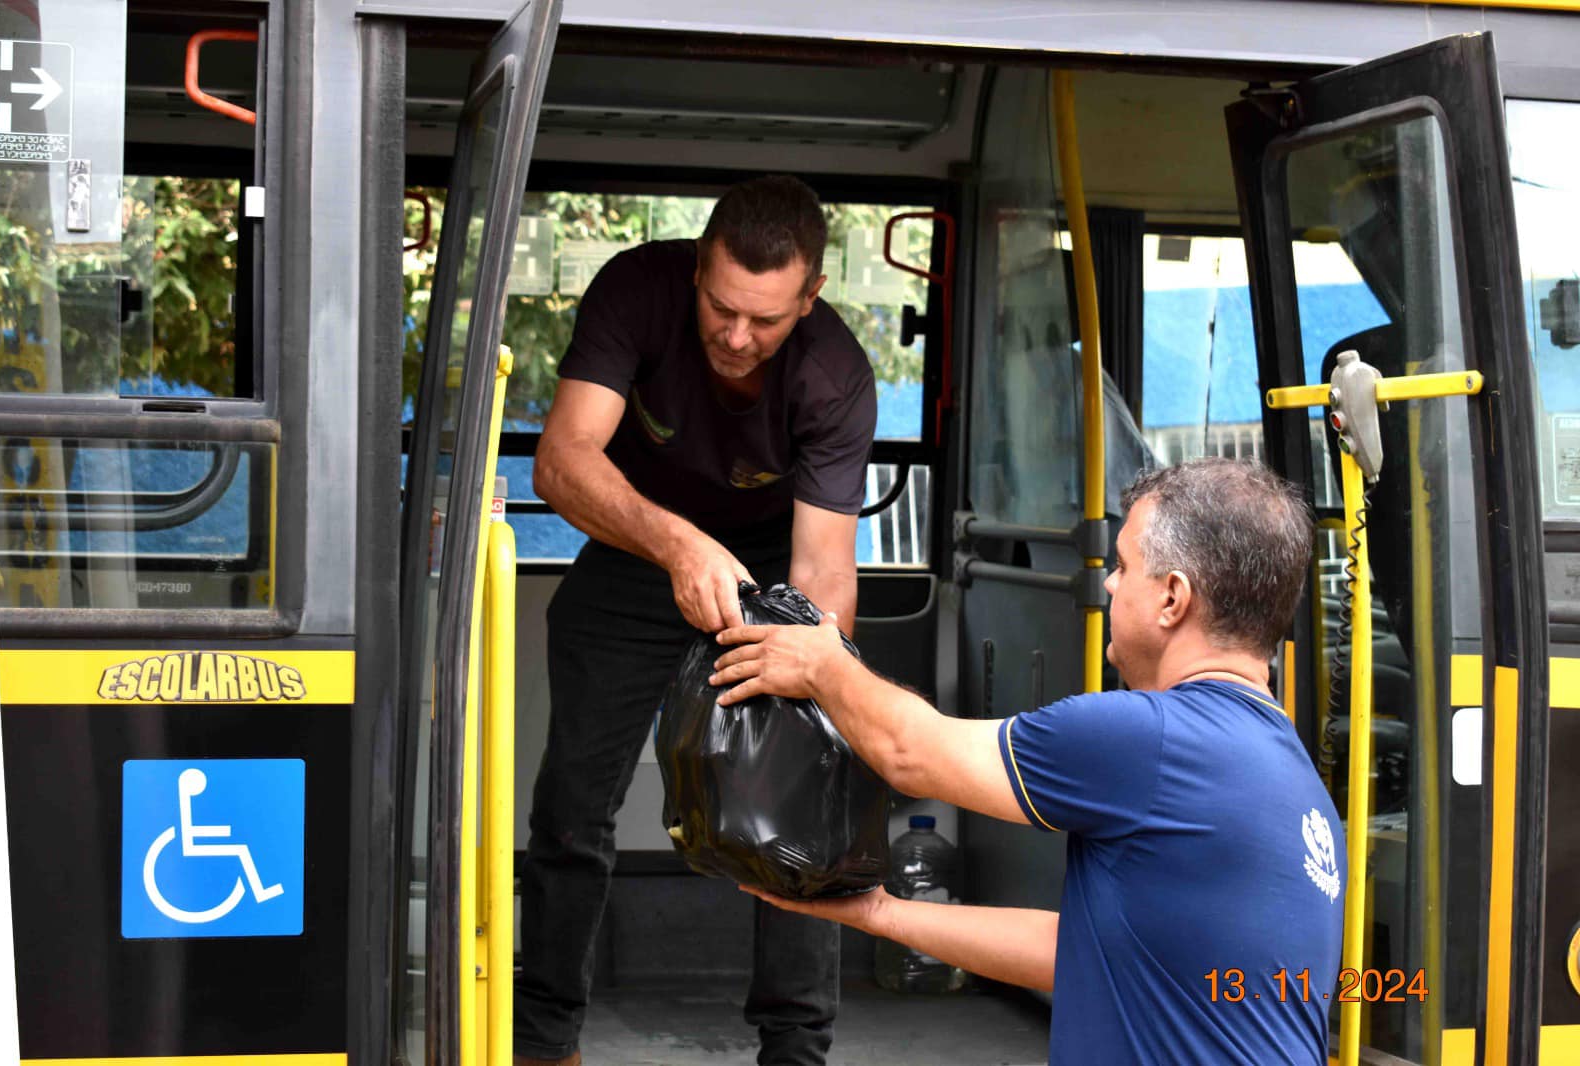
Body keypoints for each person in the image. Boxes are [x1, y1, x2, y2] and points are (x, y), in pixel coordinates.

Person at [710, 459, 1347, 1065]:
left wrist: (823, 665)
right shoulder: (1300, 787)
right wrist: (880, 913)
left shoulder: (1151, 740)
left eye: (1124, 566)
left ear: (1173, 599)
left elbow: (910, 752)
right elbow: (1079, 952)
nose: (1109, 582)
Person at [516, 175, 876, 1066]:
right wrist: (679, 548)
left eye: (766, 320)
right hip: (639, 553)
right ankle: (542, 1038)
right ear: (699, 269)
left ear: (811, 298)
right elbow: (561, 465)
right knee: (571, 807)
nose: (737, 336)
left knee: (800, 804)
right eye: (721, 307)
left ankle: (795, 1053)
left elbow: (824, 566)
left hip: (767, 580)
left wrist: (818, 682)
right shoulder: (637, 288)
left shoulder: (834, 375)